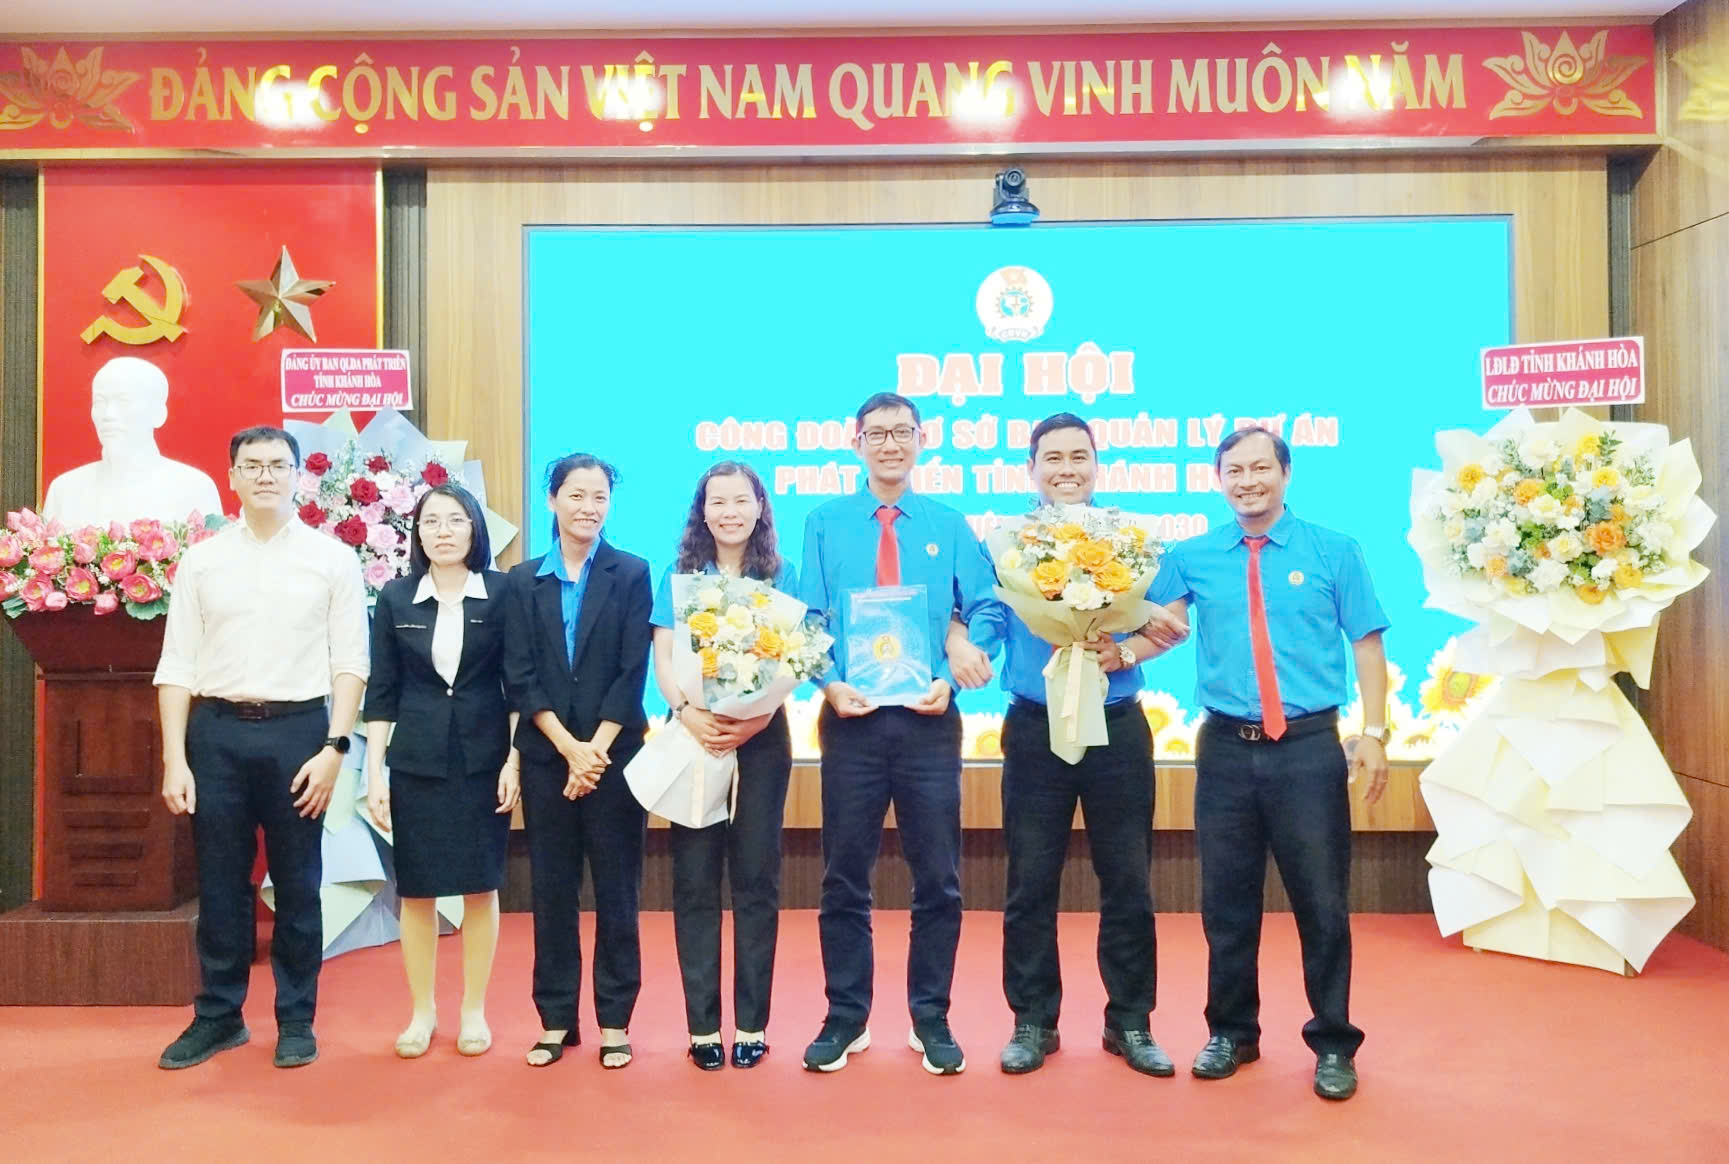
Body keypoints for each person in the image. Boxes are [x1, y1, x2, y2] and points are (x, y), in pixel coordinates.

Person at [1148, 426, 1390, 1102]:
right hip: (1225, 748)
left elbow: (1367, 644)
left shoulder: (1334, 550)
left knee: (1322, 903)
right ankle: (1231, 1032)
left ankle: (1334, 1042)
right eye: (1234, 470)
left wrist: (1374, 732)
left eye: (1260, 468)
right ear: (1218, 480)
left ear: (1285, 474)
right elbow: (1158, 629)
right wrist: (1098, 643)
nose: (1248, 481)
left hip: (1308, 749)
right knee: (1225, 904)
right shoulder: (1191, 556)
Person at [957, 412, 1189, 1077]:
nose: (1066, 469)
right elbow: (987, 612)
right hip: (1036, 725)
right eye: (1052, 458)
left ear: (1096, 464)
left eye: (1078, 456)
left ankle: (1130, 1022)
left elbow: (1171, 623)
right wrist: (969, 647)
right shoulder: (1008, 545)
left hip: (1117, 727)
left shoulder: (1130, 540)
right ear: (1030, 469)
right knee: (1030, 881)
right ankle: (1033, 1021)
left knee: (1128, 880)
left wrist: (1126, 649)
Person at [153, 425, 368, 1070]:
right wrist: (174, 758)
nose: (266, 475)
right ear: (233, 477)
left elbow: (351, 663)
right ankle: (218, 1016)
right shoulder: (202, 561)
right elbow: (176, 665)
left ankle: (296, 1018)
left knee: (299, 882)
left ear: (298, 476)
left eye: (278, 464)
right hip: (216, 734)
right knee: (221, 882)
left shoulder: (332, 559)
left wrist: (335, 748)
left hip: (299, 735)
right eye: (253, 465)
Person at [798, 392, 997, 1076]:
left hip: (928, 722)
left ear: (921, 440)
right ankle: (844, 1016)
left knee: (938, 878)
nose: (890, 444)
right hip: (850, 721)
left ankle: (930, 1016)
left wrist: (951, 672)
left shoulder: (949, 523)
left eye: (901, 432)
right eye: (877, 433)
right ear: (855, 442)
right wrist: (828, 683)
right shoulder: (824, 523)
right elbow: (809, 620)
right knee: (842, 878)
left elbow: (987, 608)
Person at [504, 453, 653, 1070]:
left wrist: (595, 751)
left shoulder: (632, 572)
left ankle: (615, 1020)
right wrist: (569, 748)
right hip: (548, 759)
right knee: (552, 892)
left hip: (614, 760)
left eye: (599, 497)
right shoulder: (521, 580)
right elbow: (519, 674)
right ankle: (556, 1019)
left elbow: (632, 670)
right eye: (576, 495)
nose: (588, 507)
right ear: (552, 500)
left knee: (618, 893)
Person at [363, 482, 518, 1060]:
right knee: (418, 890)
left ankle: (473, 1009)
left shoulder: (502, 593)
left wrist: (514, 760)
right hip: (416, 762)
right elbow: (382, 692)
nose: (443, 531)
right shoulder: (397, 597)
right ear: (417, 533)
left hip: (484, 760)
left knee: (480, 886)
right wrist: (373, 774)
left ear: (475, 529)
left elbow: (518, 685)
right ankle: (422, 1011)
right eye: (431, 521)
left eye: (456, 520)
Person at [650, 461, 796, 1071]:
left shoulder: (781, 574)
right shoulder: (679, 577)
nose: (730, 511)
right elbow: (663, 659)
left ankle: (752, 1024)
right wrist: (687, 712)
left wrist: (756, 718)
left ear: (759, 507)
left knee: (757, 881)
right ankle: (703, 1027)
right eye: (718, 501)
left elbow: (795, 659)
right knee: (695, 880)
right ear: (702, 511)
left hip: (762, 738)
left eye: (741, 500)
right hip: (696, 736)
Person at [42, 356, 222, 528]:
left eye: (124, 401)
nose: (108, 415)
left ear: (159, 413)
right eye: (100, 402)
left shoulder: (194, 488)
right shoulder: (65, 490)